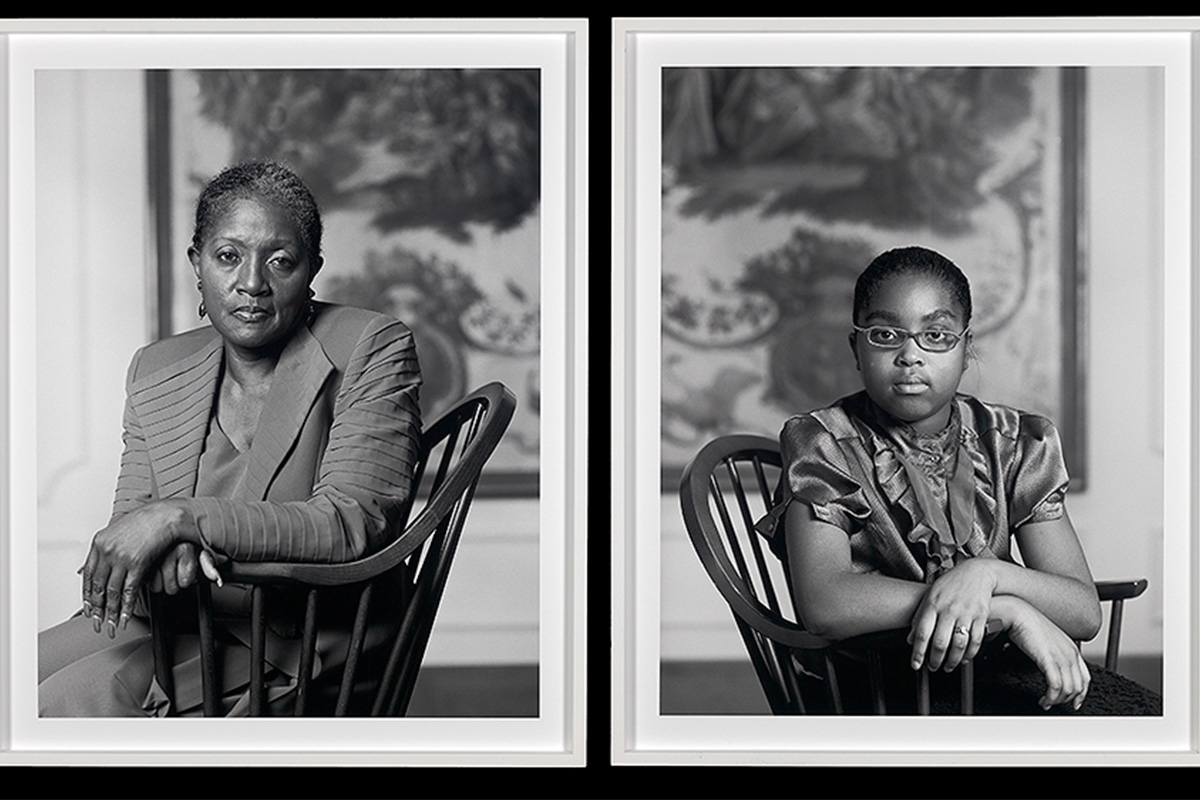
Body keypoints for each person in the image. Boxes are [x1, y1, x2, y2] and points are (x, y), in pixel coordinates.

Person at [38, 160, 423, 716]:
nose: (251, 283)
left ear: (313, 267)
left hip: (305, 635)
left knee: (61, 704)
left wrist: (181, 520)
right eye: (228, 256)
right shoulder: (157, 368)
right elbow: (129, 536)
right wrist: (161, 552)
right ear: (198, 264)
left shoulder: (370, 345)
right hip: (182, 616)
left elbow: (350, 522)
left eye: (281, 260)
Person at [756, 245, 1161, 715]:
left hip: (999, 672)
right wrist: (1007, 610)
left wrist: (985, 573)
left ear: (967, 349)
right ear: (856, 348)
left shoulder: (1015, 441)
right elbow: (825, 604)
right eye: (886, 334)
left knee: (1140, 729)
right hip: (880, 689)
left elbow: (1082, 612)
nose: (910, 355)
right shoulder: (823, 441)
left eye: (937, 335)